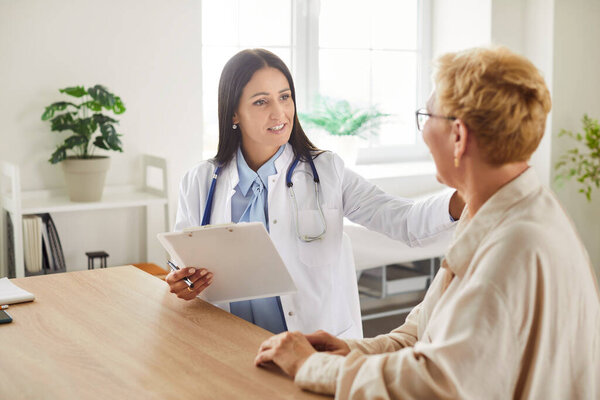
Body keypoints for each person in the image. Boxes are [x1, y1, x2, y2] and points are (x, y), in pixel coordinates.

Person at [254, 46, 600, 399]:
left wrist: (311, 367)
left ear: (459, 136)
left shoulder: (515, 247)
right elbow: (425, 330)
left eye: (427, 116)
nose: (422, 132)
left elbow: (439, 384)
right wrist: (355, 352)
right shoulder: (490, 212)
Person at [167, 48, 465, 339]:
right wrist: (183, 281)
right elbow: (181, 262)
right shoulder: (201, 181)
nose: (279, 112)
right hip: (229, 343)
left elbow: (404, 220)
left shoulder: (326, 171)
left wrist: (466, 195)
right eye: (261, 102)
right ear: (234, 112)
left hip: (311, 348)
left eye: (285, 97)